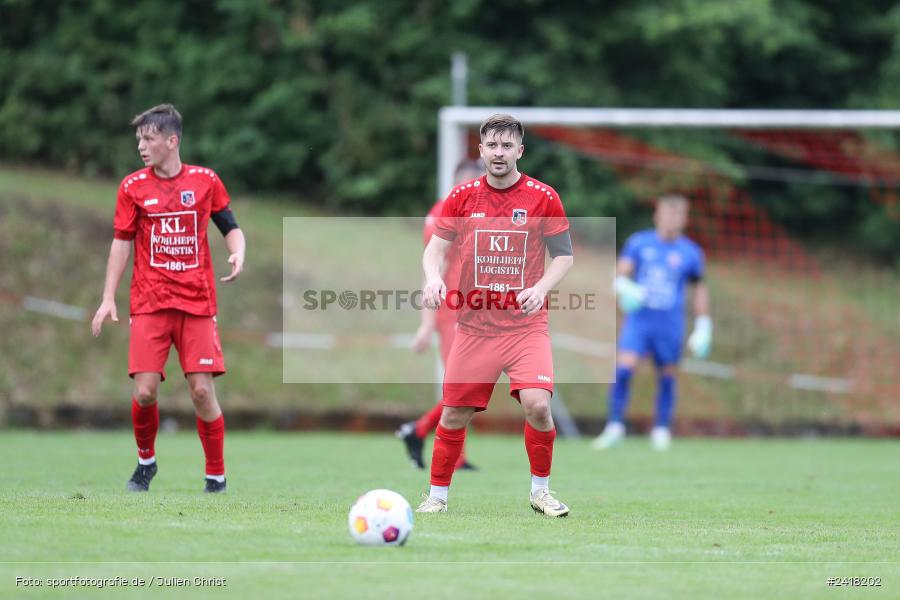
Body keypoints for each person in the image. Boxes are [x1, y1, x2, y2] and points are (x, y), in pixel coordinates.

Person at [416, 114, 574, 516]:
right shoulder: (463, 196)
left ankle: (541, 492)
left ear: (520, 150)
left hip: (525, 328)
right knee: (453, 414)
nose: (499, 153)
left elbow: (564, 256)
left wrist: (540, 289)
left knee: (538, 406)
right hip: (475, 327)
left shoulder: (543, 197)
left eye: (507, 146)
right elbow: (434, 248)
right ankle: (437, 497)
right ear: (481, 150)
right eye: (492, 145)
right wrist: (433, 277)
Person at [91, 104, 246, 493]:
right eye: (139, 139)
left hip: (197, 303)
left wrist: (237, 250)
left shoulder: (206, 181)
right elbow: (121, 243)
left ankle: (216, 476)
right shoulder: (132, 187)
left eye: (149, 139)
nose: (142, 146)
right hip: (149, 302)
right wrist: (108, 297)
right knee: (144, 391)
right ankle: (146, 463)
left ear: (172, 141)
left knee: (201, 390)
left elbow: (230, 225)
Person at [592, 194, 711, 451]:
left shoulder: (691, 252)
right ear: (657, 215)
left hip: (669, 323)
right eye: (667, 214)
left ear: (684, 219)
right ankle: (614, 426)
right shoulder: (639, 243)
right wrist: (625, 287)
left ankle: (661, 429)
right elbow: (620, 273)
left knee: (667, 375)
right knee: (624, 369)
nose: (671, 220)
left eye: (677, 215)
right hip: (640, 321)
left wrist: (703, 325)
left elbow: (699, 289)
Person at [396, 159, 485, 472]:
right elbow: (431, 269)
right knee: (464, 385)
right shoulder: (441, 215)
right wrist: (426, 323)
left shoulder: (490, 211)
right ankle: (437, 445)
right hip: (453, 312)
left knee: (473, 384)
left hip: (483, 312)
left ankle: (419, 431)